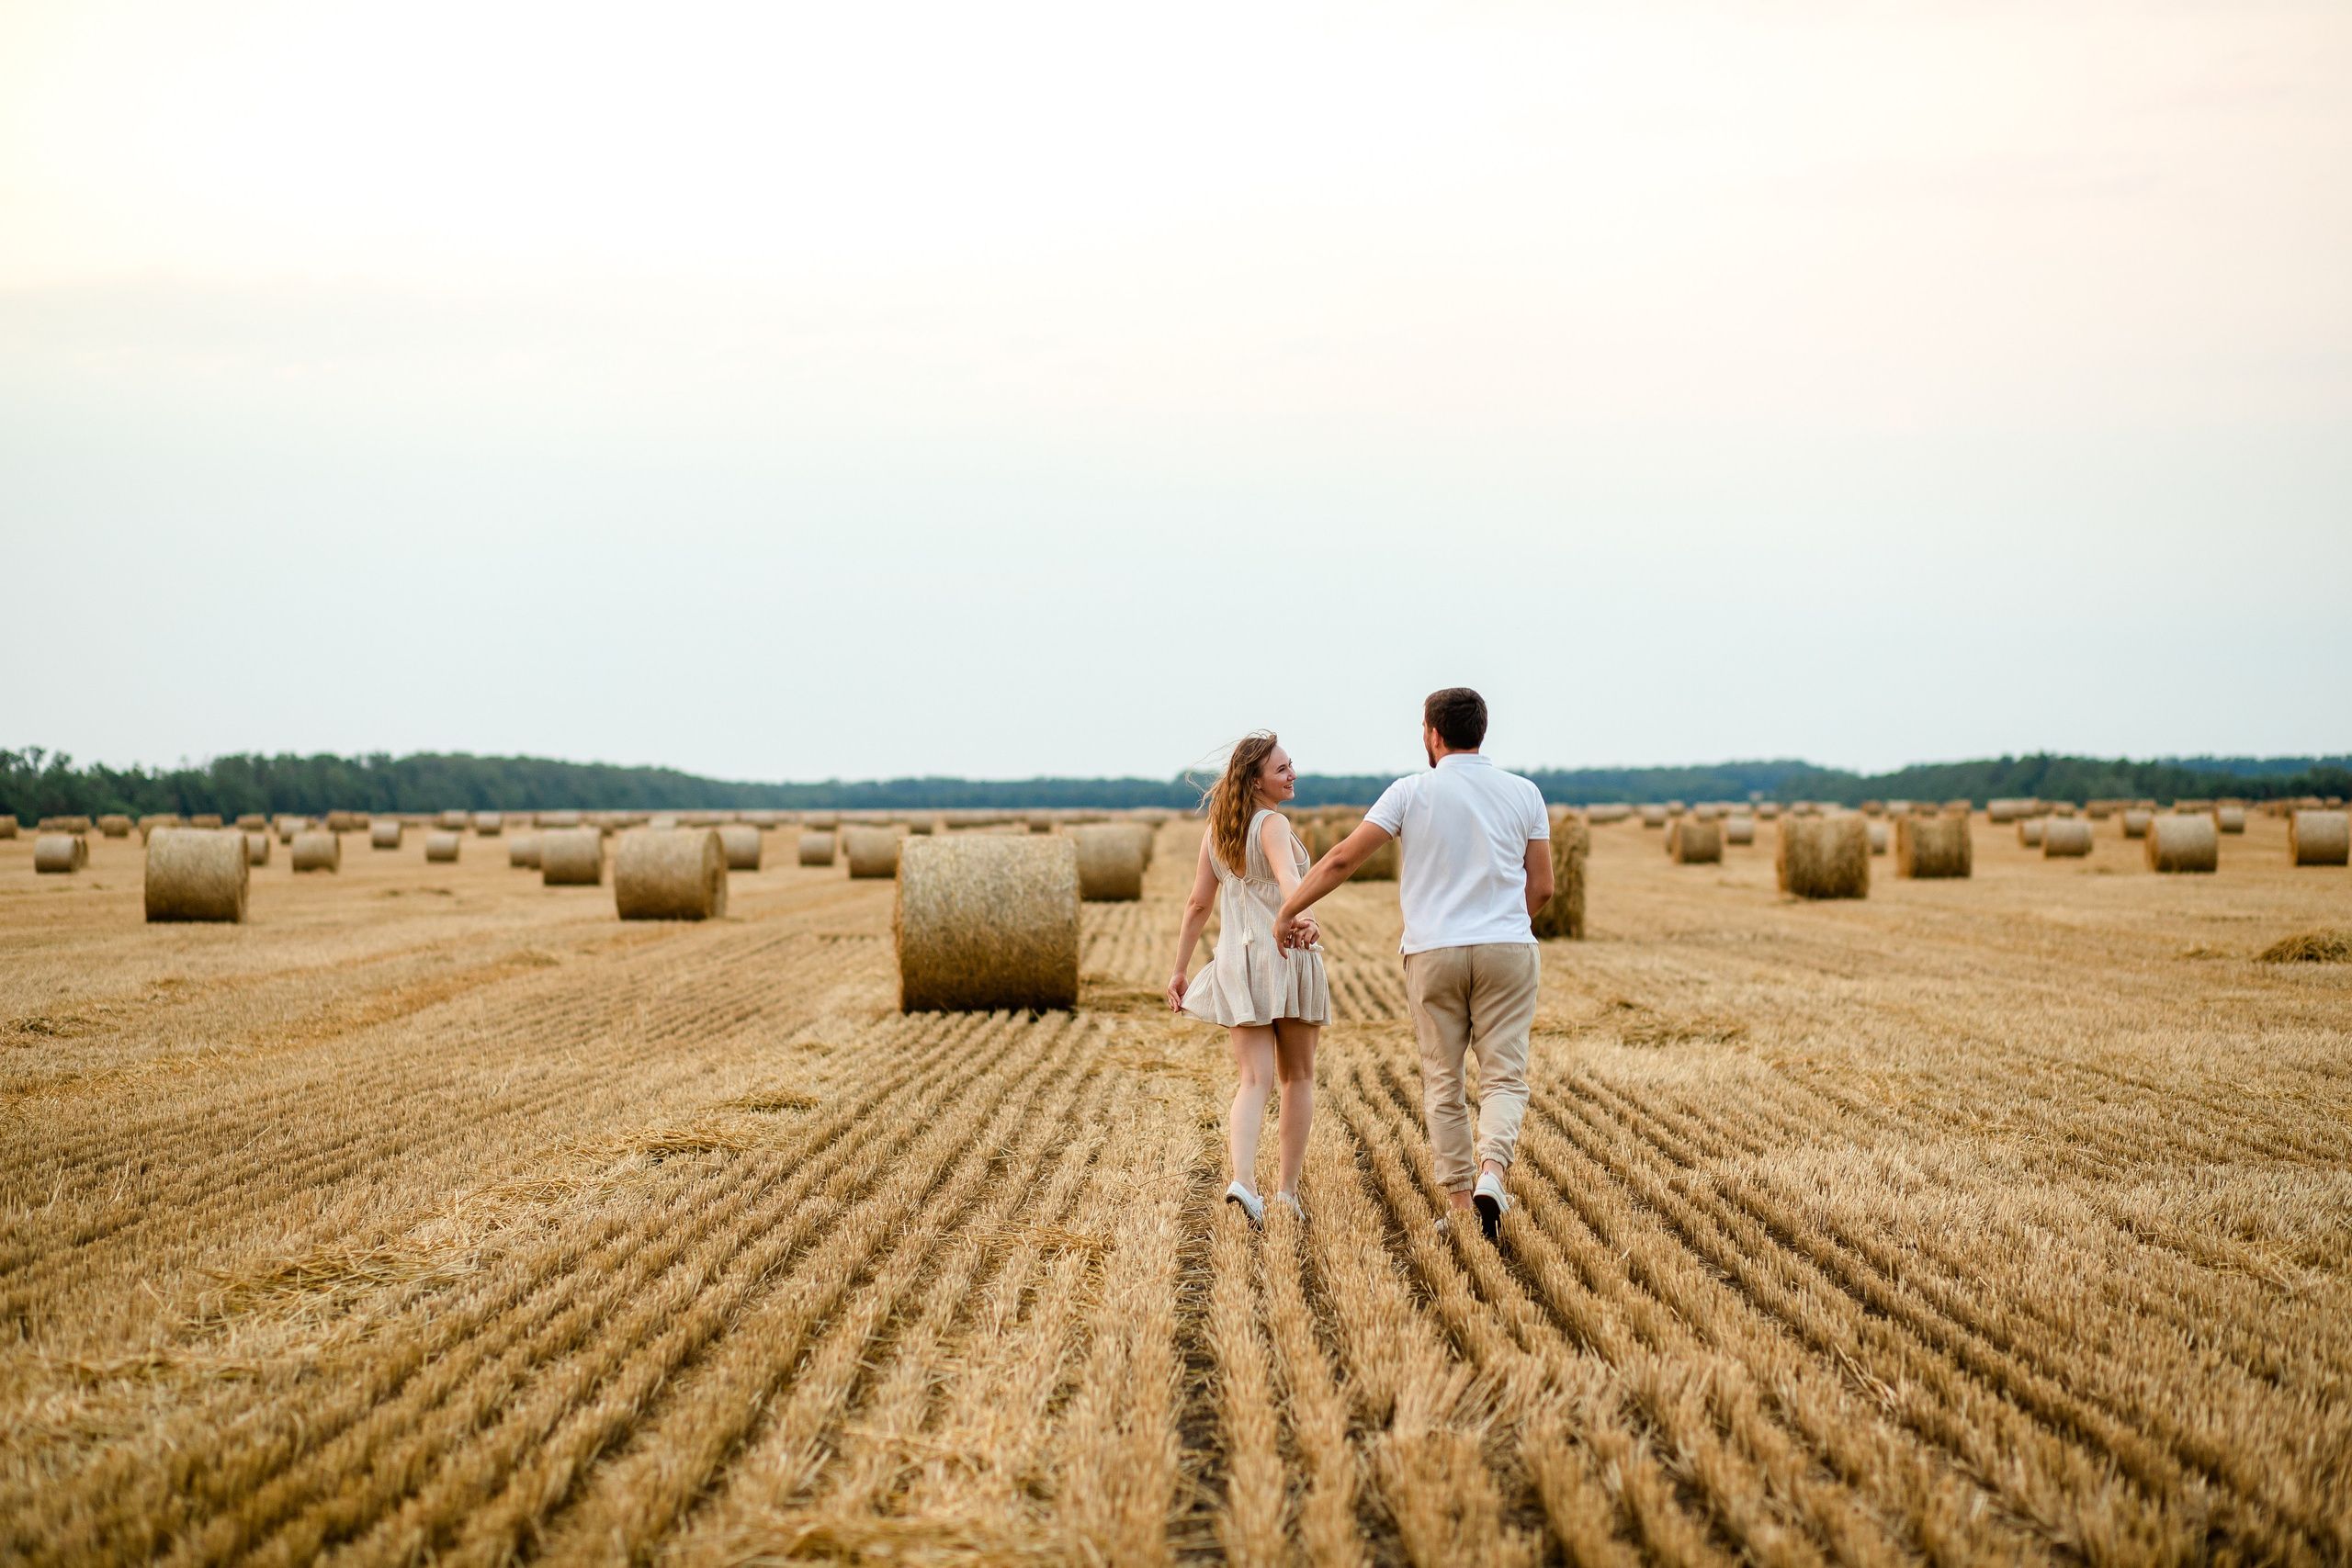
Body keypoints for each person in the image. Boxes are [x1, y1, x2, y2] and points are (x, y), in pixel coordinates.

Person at [1275, 688, 1552, 1240]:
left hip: (1433, 951)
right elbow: (1542, 887)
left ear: (1431, 732)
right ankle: (1492, 1172)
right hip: (1507, 948)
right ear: (1482, 731)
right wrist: (1502, 923)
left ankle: (1455, 1206)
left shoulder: (1409, 792)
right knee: (1503, 1075)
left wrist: (1289, 910)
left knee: (1442, 1079)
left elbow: (1342, 858)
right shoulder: (1525, 793)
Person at [1168, 732, 1329, 1224]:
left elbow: (1198, 904)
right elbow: (1288, 879)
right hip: (1286, 956)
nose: (1292, 774)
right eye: (1282, 769)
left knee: (1253, 1080)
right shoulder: (1273, 824)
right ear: (1256, 780)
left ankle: (1243, 1181)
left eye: (1291, 765)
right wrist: (1301, 917)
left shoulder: (1217, 832)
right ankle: (1285, 1193)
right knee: (1296, 1077)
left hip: (1237, 963)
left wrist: (1179, 969)